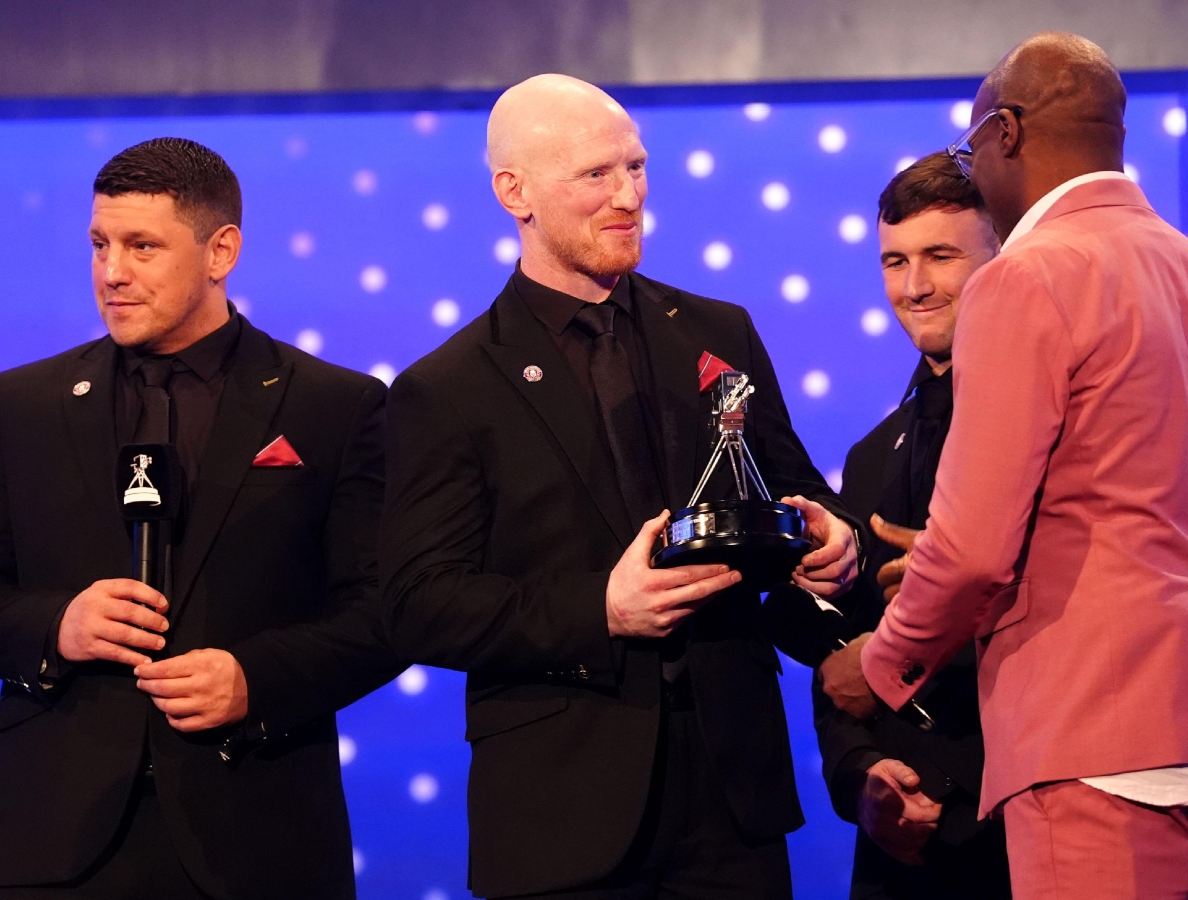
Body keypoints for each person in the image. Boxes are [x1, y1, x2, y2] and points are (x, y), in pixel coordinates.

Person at [819, 32, 1188, 899]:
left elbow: (971, 550)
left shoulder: (1027, 277)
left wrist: (880, 661)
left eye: (972, 148)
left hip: (1097, 722)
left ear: (1006, 132)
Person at [378, 74, 858, 900]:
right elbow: (418, 603)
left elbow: (795, 491)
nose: (628, 195)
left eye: (635, 168)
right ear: (513, 192)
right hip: (561, 814)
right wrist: (601, 607)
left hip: (731, 795)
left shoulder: (718, 331)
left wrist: (832, 538)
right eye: (596, 175)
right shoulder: (446, 388)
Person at [0, 138, 401, 899]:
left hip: (259, 834)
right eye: (99, 244)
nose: (111, 272)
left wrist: (256, 678)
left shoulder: (333, 407)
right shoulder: (19, 407)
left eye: (142, 246)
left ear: (221, 252)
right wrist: (58, 627)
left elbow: (388, 609)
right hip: (54, 842)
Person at [805, 153, 1009, 899]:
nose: (914, 286)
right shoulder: (868, 456)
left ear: (1003, 257)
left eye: (940, 256)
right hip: (900, 851)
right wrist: (861, 779)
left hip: (1022, 822)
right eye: (895, 260)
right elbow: (839, 655)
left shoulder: (1051, 428)